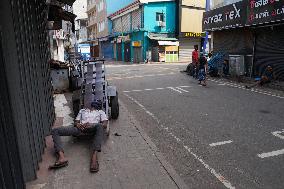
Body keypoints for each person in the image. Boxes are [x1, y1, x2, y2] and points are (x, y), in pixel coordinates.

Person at [49, 100, 108, 173]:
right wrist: (78, 124)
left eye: (97, 103)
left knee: (100, 126)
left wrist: (91, 125)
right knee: (55, 130)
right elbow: (76, 121)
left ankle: (94, 157)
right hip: (80, 129)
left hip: (93, 128)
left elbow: (105, 124)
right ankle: (62, 157)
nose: (94, 105)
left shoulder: (100, 112)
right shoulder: (82, 110)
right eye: (94, 102)